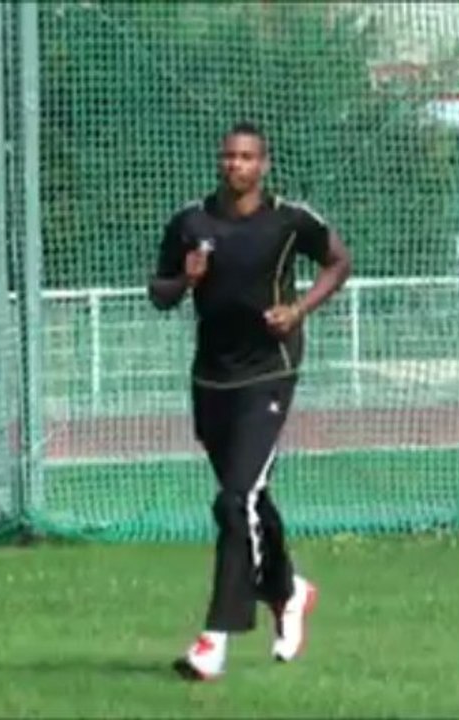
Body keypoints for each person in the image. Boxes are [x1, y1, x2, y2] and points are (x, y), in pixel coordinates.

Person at [147, 122, 352, 681]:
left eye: (245, 157)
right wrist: (186, 281)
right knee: (249, 504)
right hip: (212, 380)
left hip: (269, 374)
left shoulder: (290, 220)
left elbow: (339, 261)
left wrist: (299, 310)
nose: (234, 165)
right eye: (227, 157)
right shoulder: (192, 222)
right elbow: (158, 292)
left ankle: (213, 641)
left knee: (234, 501)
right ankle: (288, 591)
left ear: (263, 164)